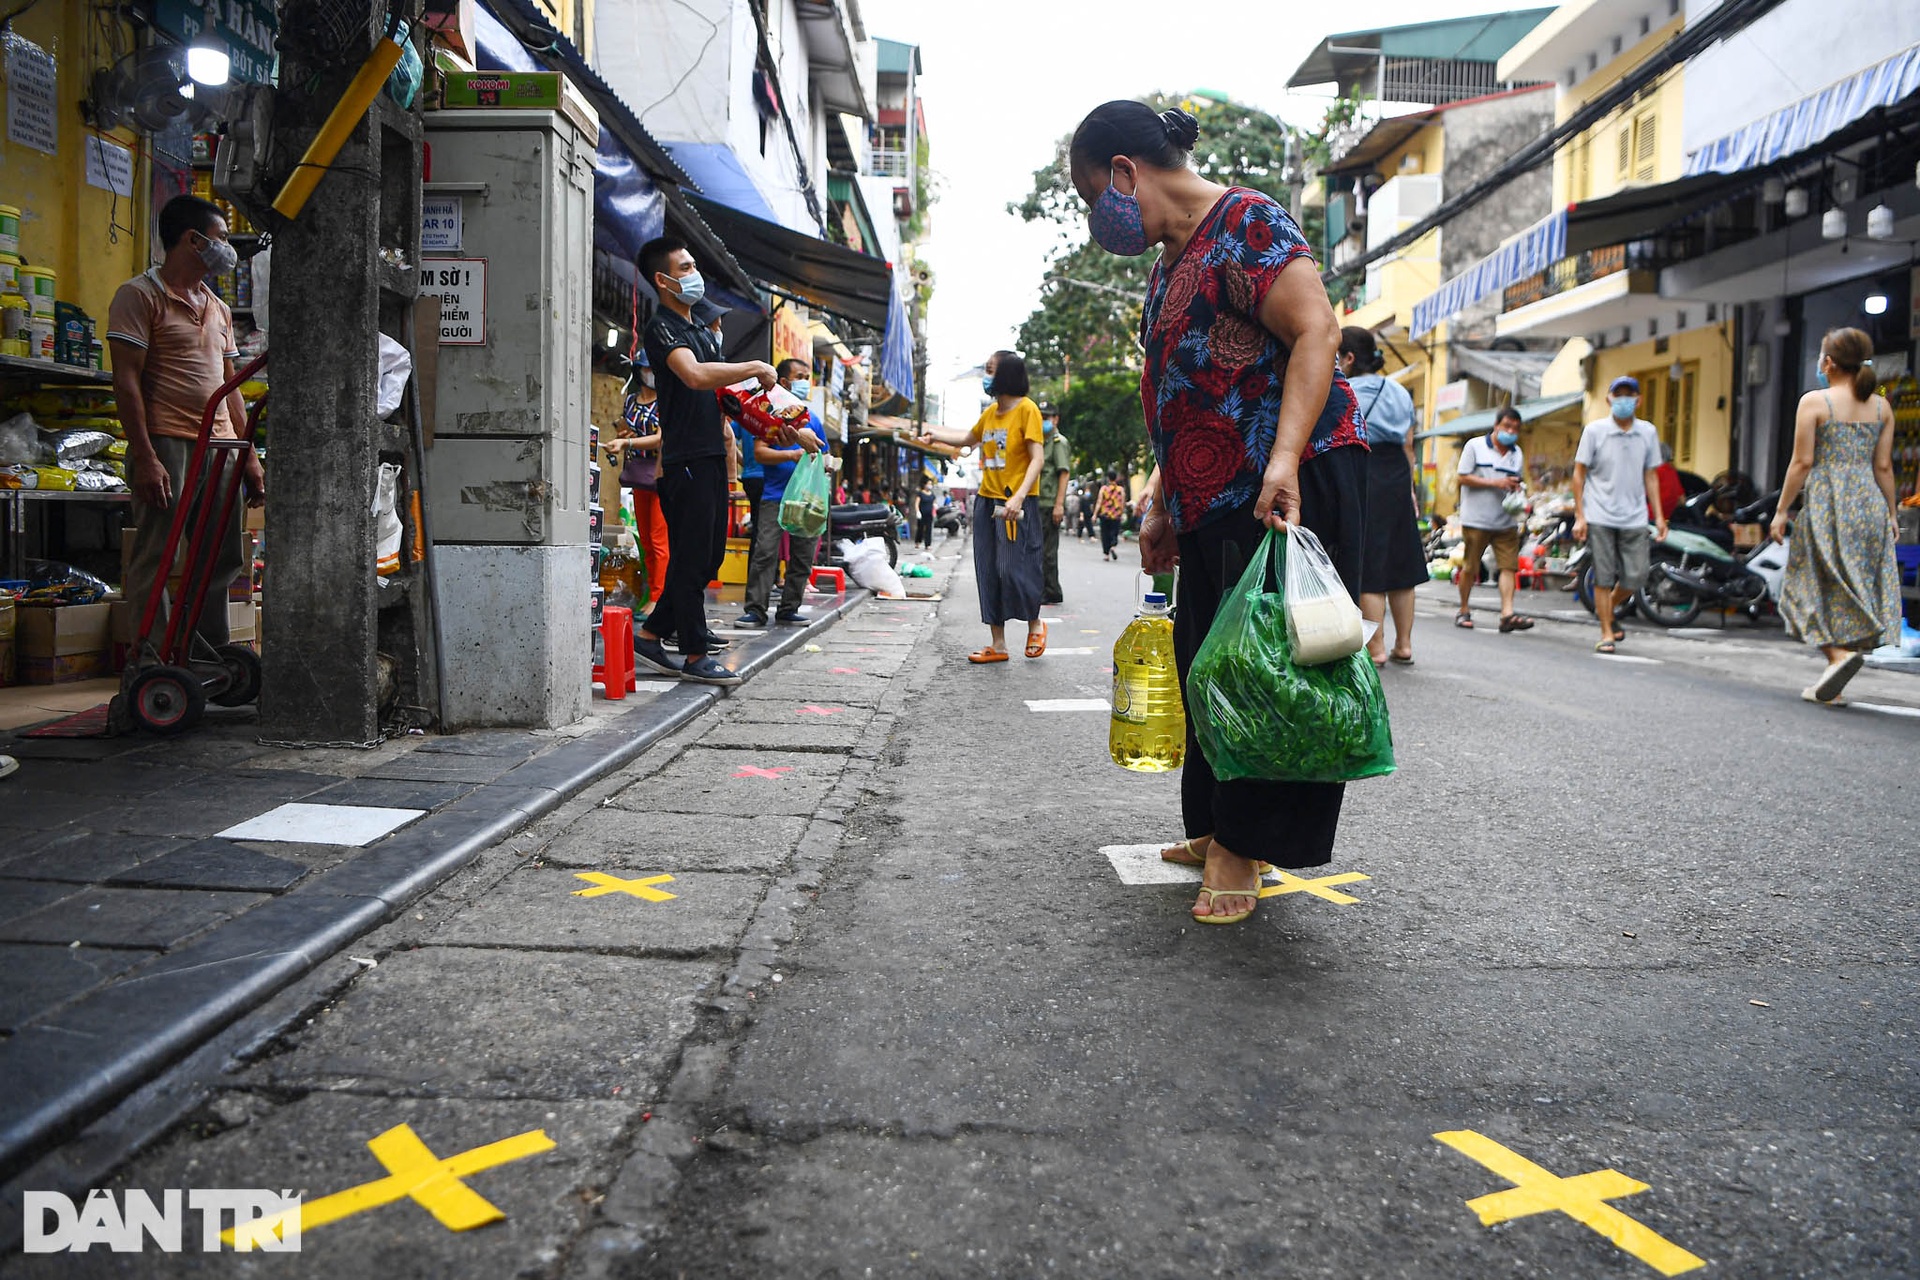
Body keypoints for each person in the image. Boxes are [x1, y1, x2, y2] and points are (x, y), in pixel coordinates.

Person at [1071, 99, 1368, 925]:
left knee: (1264, 670)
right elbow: (1180, 391)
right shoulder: (1169, 264)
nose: (1098, 214)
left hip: (1281, 480)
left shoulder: (1247, 220)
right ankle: (1216, 827)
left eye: (1094, 193)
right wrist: (1163, 498)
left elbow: (1316, 331)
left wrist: (1279, 461)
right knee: (1209, 659)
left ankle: (1247, 845)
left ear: (1126, 174)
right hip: (1208, 491)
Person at [108, 195, 265, 653]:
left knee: (221, 555)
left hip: (218, 447)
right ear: (191, 240)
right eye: (218, 240)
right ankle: (152, 658)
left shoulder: (215, 306)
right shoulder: (139, 296)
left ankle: (204, 652)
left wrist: (248, 455)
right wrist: (146, 458)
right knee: (157, 554)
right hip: (167, 442)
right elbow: (126, 383)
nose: (225, 249)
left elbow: (230, 386)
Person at [632, 235, 777, 687]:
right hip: (685, 458)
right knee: (692, 558)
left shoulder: (700, 330)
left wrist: (774, 420)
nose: (694, 275)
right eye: (686, 267)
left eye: (694, 267)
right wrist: (752, 366)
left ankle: (654, 632)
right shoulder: (662, 328)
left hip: (712, 455)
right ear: (663, 279)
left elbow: (721, 396)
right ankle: (694, 653)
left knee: (709, 555)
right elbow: (694, 376)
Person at [1772, 327, 1901, 704]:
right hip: (1869, 505)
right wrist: (1891, 514)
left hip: (1829, 502)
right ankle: (1833, 684)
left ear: (1827, 362)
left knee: (1808, 584)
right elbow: (1884, 468)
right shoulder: (1882, 406)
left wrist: (1781, 511)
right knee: (1850, 588)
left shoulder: (1815, 402)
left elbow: (1803, 462)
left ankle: (1838, 656)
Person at [918, 350, 1048, 662]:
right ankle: (998, 644)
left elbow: (1037, 458)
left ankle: (1035, 624)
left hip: (1017, 502)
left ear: (1006, 374)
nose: (986, 376)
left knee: (1015, 568)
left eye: (990, 369)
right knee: (988, 570)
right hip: (987, 501)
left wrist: (1018, 496)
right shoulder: (990, 414)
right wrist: (932, 433)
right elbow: (966, 438)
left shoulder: (1027, 410)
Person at [1341, 326, 1427, 665]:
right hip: (1397, 472)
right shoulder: (1399, 392)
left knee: (1370, 562)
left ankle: (1375, 648)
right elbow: (1408, 444)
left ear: (1348, 357)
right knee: (1403, 560)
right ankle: (1403, 644)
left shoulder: (1345, 389)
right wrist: (1409, 487)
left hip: (1365, 469)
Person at [1573, 374, 1667, 654]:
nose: (1624, 400)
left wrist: (1659, 516)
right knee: (1602, 575)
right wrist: (1581, 515)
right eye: (1619, 394)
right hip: (1599, 514)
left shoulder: (1648, 432)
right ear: (1609, 399)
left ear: (1638, 400)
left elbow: (1651, 476)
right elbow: (1579, 474)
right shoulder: (1594, 431)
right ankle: (1606, 633)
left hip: (1635, 516)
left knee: (1636, 577)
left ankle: (1608, 609)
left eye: (1630, 395)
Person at [734, 358, 825, 629]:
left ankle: (789, 608)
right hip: (775, 494)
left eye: (807, 376)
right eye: (799, 376)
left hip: (806, 499)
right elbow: (761, 453)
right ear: (784, 382)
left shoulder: (814, 419)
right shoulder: (773, 415)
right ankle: (755, 610)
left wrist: (826, 466)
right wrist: (795, 453)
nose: (804, 381)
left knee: (803, 554)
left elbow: (825, 456)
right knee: (765, 551)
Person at [1453, 406, 1534, 634]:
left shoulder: (1516, 453)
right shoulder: (1475, 446)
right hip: (1476, 519)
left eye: (1515, 428)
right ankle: (1464, 609)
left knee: (1509, 567)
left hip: (1505, 520)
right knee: (1471, 567)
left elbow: (1515, 480)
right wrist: (1495, 483)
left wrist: (1516, 488)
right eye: (1507, 426)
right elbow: (1462, 478)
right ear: (1496, 426)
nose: (1511, 431)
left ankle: (1507, 613)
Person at [609, 354, 668, 611]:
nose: (653, 372)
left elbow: (659, 439)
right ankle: (650, 594)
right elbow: (625, 429)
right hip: (638, 475)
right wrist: (623, 436)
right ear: (640, 370)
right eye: (649, 367)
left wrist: (628, 442)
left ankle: (659, 596)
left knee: (658, 540)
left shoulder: (665, 401)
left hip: (659, 473)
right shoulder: (631, 401)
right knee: (644, 539)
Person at [1037, 405, 1072, 604]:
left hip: (1050, 503)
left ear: (1056, 419)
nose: (1043, 420)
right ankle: (1047, 589)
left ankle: (1050, 591)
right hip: (1039, 501)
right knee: (1040, 549)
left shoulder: (1059, 442)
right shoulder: (1043, 442)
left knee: (1047, 551)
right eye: (1041, 417)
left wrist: (1059, 504)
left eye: (1047, 417)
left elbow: (1064, 473)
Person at [1095, 473, 1128, 560]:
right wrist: (1121, 512)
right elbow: (1122, 502)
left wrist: (1095, 514)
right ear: (1116, 478)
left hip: (1105, 515)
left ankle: (1106, 555)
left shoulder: (1104, 489)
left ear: (1108, 478)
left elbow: (1099, 502)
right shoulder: (1120, 489)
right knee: (1114, 532)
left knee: (1105, 534)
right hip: (1116, 515)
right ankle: (1113, 547)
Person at [915, 474, 935, 549]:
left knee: (929, 529)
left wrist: (935, 507)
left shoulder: (932, 494)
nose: (930, 485)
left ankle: (928, 544)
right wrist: (917, 511)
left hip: (929, 514)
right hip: (922, 514)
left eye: (931, 484)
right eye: (928, 484)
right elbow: (916, 503)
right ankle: (917, 542)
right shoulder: (921, 493)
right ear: (925, 485)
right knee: (920, 528)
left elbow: (934, 502)